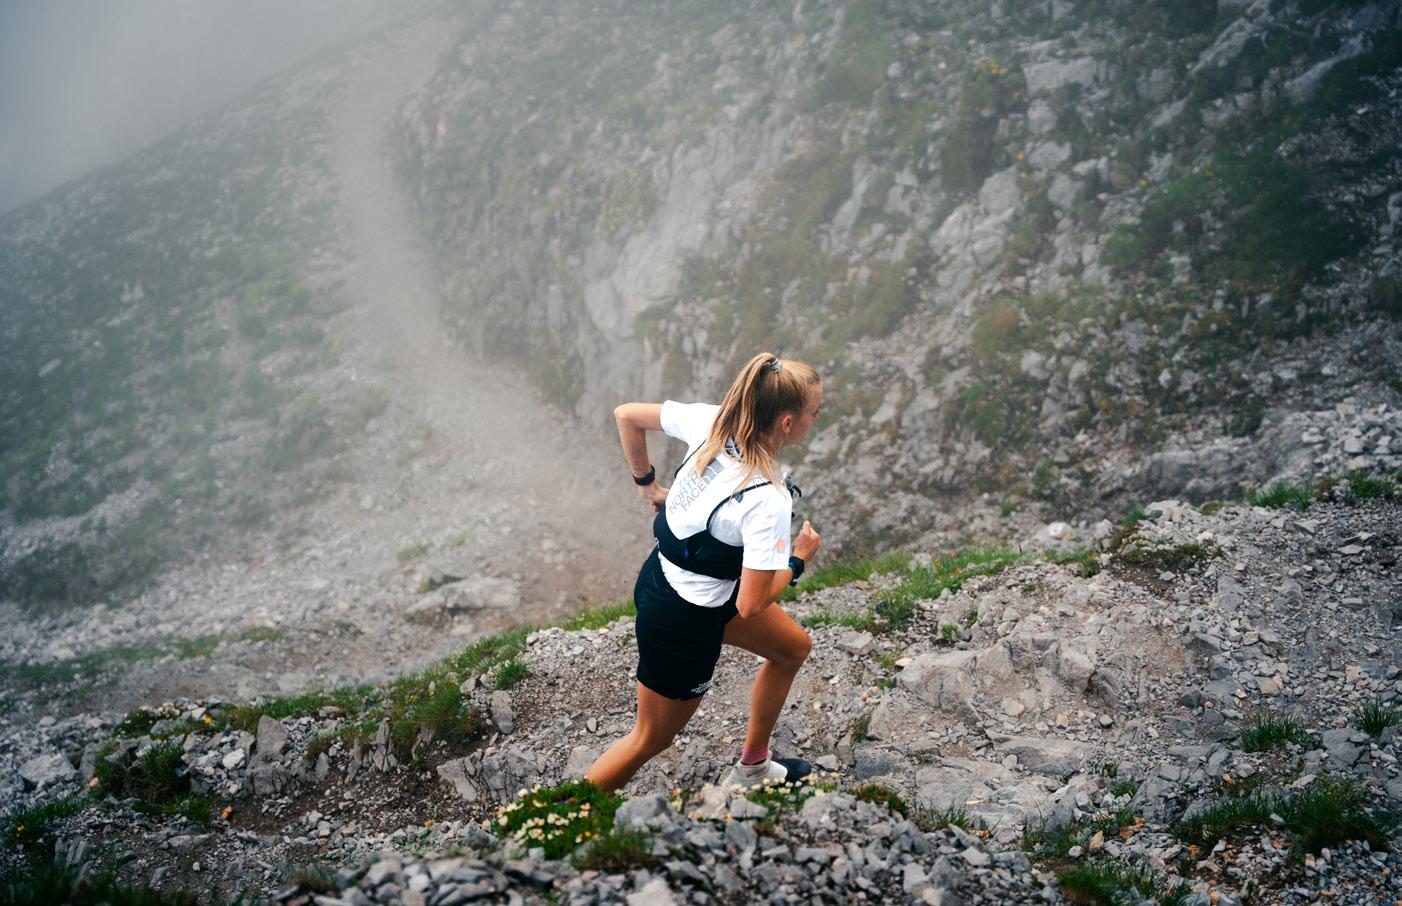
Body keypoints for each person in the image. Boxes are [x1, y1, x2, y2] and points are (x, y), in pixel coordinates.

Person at [584, 352, 824, 793]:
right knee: (650, 737)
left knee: (792, 649)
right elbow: (751, 604)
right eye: (814, 411)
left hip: (680, 583)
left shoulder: (714, 421)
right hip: (683, 618)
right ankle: (558, 817)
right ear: (787, 422)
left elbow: (627, 415)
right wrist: (798, 560)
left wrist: (648, 485)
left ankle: (753, 767)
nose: (817, 418)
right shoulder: (767, 497)